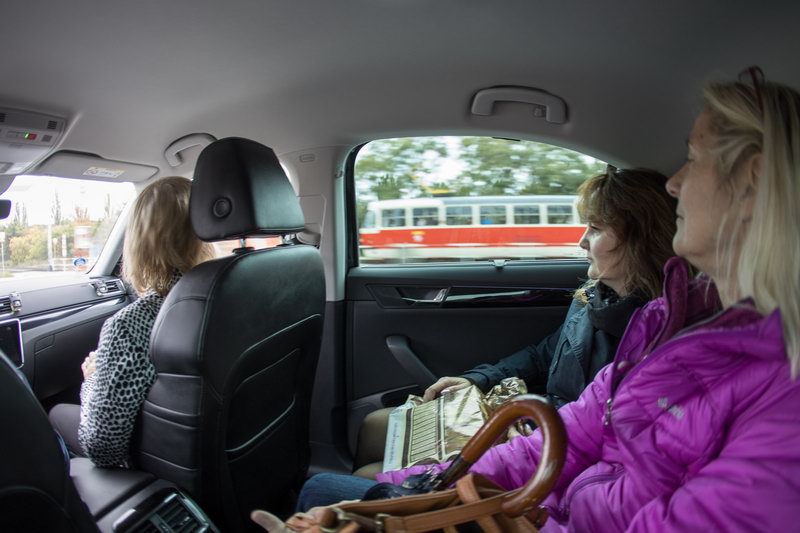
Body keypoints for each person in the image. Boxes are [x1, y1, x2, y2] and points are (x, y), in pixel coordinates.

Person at [254, 69, 800, 531]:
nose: (675, 183)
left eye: (694, 158)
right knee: (340, 494)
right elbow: (567, 435)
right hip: (547, 500)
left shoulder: (775, 397)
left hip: (544, 512)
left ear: (752, 182)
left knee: (325, 489)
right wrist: (420, 495)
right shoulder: (666, 324)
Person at [352, 167, 678, 478]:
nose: (581, 242)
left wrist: (525, 431)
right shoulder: (594, 297)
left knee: (367, 476)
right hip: (533, 422)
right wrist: (477, 381)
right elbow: (542, 356)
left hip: (549, 445)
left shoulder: (656, 335)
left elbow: (603, 432)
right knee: (373, 426)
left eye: (594, 228)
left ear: (640, 239)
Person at [48, 176, 215, 467]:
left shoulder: (130, 324)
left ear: (140, 241)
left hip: (166, 466)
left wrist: (92, 380)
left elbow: (103, 447)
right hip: (221, 450)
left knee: (56, 413)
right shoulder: (226, 296)